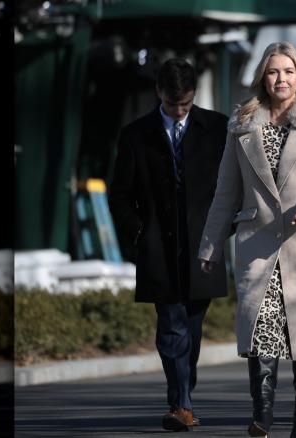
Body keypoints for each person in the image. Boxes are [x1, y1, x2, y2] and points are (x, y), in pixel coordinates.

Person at [197, 42, 296, 438]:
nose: (282, 79)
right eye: (275, 71)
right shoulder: (242, 122)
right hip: (257, 244)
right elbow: (226, 190)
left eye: (289, 72)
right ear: (264, 76)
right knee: (262, 328)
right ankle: (262, 416)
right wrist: (210, 245)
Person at [108, 58, 230, 431]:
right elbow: (120, 196)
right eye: (174, 104)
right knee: (172, 328)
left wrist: (223, 231)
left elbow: (234, 187)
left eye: (187, 105)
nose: (180, 112)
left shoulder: (218, 128)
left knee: (190, 331)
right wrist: (139, 235)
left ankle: (183, 397)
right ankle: (180, 404)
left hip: (202, 247)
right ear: (158, 92)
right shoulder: (135, 134)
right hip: (158, 245)